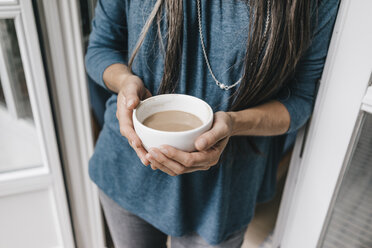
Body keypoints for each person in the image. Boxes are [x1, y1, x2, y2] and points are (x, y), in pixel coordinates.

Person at [85, 0, 339, 247]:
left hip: (223, 192)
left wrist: (234, 123)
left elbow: (300, 98)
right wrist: (125, 83)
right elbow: (101, 48)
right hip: (127, 172)